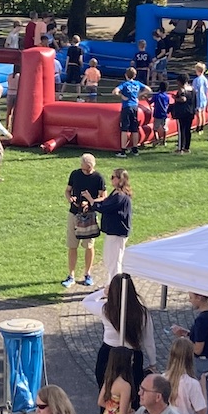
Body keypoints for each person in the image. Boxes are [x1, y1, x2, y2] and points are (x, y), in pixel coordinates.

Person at [89, 273, 154, 385]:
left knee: (107, 393)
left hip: (108, 353)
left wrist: (103, 292)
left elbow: (86, 301)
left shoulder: (105, 310)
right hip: (133, 355)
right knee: (133, 392)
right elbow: (148, 340)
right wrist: (153, 362)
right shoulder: (142, 313)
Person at [62, 154, 106, 288]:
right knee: (72, 245)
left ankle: (88, 273)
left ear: (93, 166)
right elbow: (67, 191)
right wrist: (70, 199)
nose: (86, 171)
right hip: (74, 213)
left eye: (88, 169)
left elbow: (103, 197)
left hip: (90, 215)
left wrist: (91, 202)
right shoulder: (75, 174)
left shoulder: (98, 178)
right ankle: (71, 275)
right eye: (84, 168)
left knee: (89, 246)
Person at [98, 169, 133, 279]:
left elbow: (105, 207)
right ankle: (111, 284)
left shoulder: (120, 196)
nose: (111, 179)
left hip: (118, 232)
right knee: (109, 259)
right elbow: (105, 203)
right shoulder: (115, 193)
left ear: (120, 179)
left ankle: (115, 287)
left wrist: (91, 202)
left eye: (113, 177)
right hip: (113, 231)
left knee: (114, 260)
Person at [114, 69, 144, 155]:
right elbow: (148, 89)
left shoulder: (124, 84)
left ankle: (123, 150)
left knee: (124, 128)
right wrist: (138, 95)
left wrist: (122, 96)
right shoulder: (137, 83)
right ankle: (135, 149)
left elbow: (115, 91)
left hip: (127, 106)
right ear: (135, 76)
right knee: (134, 128)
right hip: (135, 106)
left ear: (126, 75)